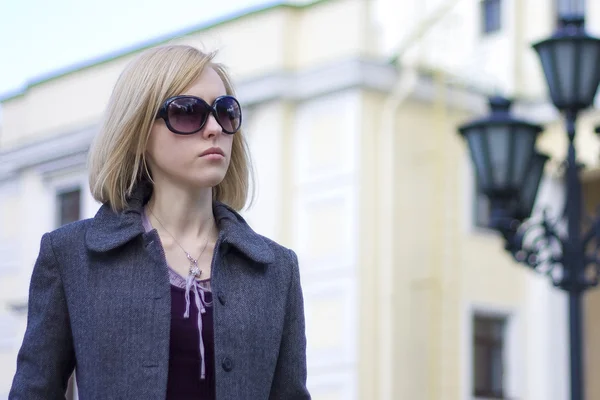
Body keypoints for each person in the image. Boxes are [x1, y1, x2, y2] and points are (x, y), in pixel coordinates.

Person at [9, 44, 310, 400]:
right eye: (187, 112)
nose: (214, 128)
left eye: (226, 112)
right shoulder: (70, 255)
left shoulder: (277, 270)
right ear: (139, 132)